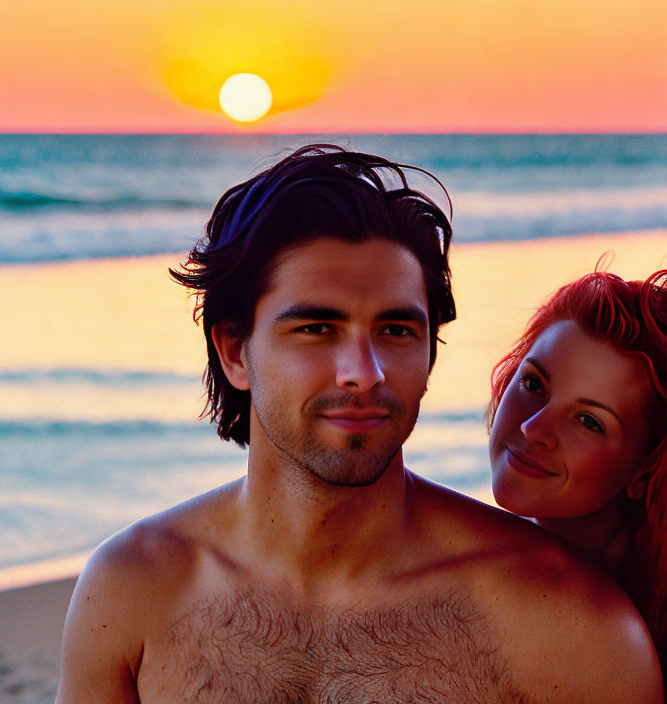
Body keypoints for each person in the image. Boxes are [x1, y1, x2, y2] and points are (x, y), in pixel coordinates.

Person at [56, 145, 662, 702]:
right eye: (317, 328)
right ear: (236, 352)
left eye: (396, 330)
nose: (363, 372)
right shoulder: (131, 592)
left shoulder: (571, 629)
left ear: (429, 354)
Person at [488, 267, 667, 678]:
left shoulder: (616, 640)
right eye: (534, 384)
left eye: (588, 421)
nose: (533, 429)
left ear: (646, 465)